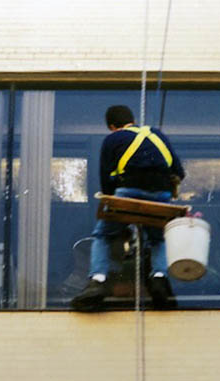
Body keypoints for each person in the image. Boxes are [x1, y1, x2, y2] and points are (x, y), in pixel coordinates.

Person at [71, 105, 185, 311]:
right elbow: (178, 170)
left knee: (103, 236)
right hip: (160, 194)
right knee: (158, 238)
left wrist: (116, 212)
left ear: (113, 126)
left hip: (129, 191)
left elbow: (106, 180)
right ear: (132, 119)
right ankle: (159, 278)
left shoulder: (113, 139)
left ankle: (97, 280)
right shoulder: (157, 135)